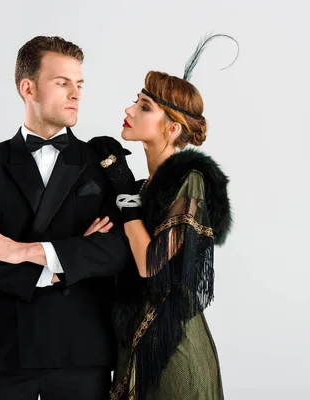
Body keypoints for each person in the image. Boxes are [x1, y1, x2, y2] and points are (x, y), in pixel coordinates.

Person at [0, 35, 130, 400]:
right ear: (28, 87)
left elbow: (117, 253)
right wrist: (71, 256)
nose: (75, 93)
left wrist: (20, 250)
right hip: (0, 350)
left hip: (80, 350)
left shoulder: (102, 162)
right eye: (62, 83)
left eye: (79, 84)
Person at [88, 34, 237, 400]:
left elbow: (150, 265)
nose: (129, 110)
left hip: (172, 355)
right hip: (131, 349)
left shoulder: (191, 182)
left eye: (144, 106)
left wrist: (123, 194)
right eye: (135, 102)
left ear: (172, 128)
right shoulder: (141, 189)